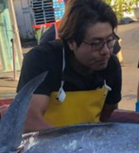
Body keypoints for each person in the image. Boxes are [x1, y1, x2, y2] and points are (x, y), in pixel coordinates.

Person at [18, 0, 122, 132]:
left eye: (109, 40)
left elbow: (109, 118)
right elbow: (29, 120)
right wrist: (74, 146)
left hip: (90, 146)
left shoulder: (111, 65)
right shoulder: (42, 60)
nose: (106, 51)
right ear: (71, 42)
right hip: (46, 147)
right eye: (96, 43)